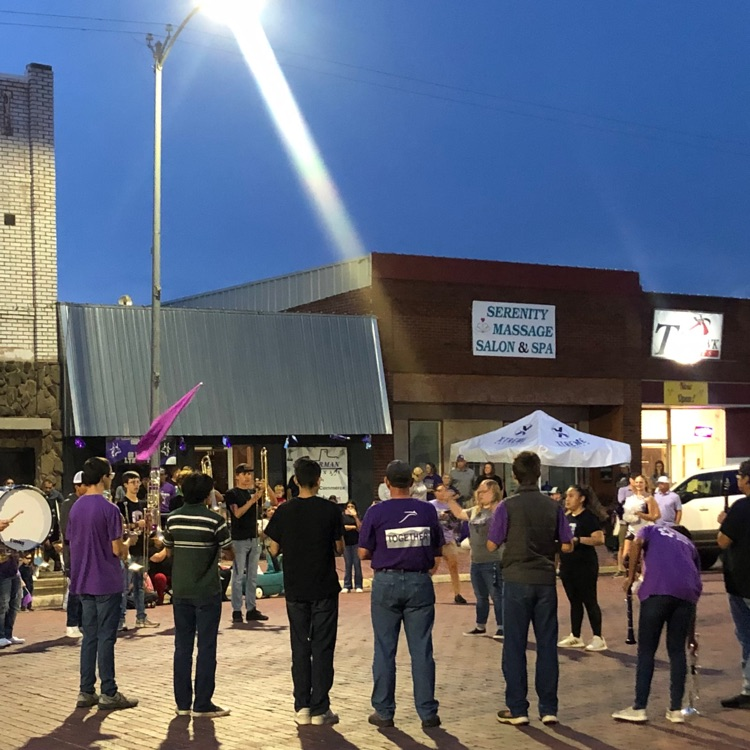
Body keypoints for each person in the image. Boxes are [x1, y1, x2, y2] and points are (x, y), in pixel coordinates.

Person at [487, 451, 573, 726]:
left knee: (514, 646)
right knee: (547, 646)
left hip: (515, 579)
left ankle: (517, 708)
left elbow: (492, 544)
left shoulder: (507, 506)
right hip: (545, 580)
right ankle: (548, 708)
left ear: (514, 475)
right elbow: (567, 545)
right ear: (538, 474)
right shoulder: (553, 507)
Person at [358, 459, 444, 729]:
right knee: (422, 649)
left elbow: (362, 552)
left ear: (387, 483)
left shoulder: (376, 511)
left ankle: (384, 712)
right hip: (420, 581)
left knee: (385, 649)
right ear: (411, 482)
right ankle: (427, 712)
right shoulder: (427, 510)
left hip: (386, 581)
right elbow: (437, 550)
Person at [265, 457, 345, 726]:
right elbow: (339, 548)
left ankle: (302, 705)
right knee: (323, 647)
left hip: (296, 587)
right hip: (324, 585)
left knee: (300, 646)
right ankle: (321, 707)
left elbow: (273, 549)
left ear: (296, 480)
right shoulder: (330, 510)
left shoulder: (284, 511)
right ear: (319, 480)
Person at [66, 457, 138, 711]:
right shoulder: (110, 509)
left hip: (83, 579)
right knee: (107, 638)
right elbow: (117, 549)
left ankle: (86, 690)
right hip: (106, 579)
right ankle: (109, 691)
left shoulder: (76, 508)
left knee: (90, 637)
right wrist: (129, 543)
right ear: (104, 477)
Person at [612, 524, 701, 723]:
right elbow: (694, 592)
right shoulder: (690, 546)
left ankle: (639, 707)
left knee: (647, 651)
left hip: (657, 591)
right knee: (677, 651)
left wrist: (631, 576)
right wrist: (691, 636)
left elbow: (636, 543)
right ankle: (675, 710)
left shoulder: (652, 529)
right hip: (686, 597)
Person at [163, 471, 234, 718]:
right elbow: (228, 552)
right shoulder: (215, 520)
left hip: (181, 590)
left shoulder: (172, 519)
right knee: (206, 646)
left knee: (182, 646)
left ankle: (182, 703)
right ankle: (203, 703)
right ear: (207, 494)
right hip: (206, 590)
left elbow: (169, 550)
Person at [445, 479, 504, 638]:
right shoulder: (476, 510)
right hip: (476, 561)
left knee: (497, 595)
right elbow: (459, 513)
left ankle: (502, 626)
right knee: (480, 596)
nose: (480, 494)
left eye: (484, 491)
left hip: (493, 560)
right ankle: (480, 625)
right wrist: (449, 499)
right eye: (479, 491)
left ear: (494, 492)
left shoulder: (499, 510)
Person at [717, 459, 750, 709]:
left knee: (747, 636)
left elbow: (723, 540)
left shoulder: (741, 507)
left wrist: (723, 521)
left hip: (743, 582)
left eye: (740, 476)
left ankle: (748, 689)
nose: (738, 480)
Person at [557, 485, 607, 652]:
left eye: (571, 496)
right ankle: (576, 635)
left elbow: (599, 539)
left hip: (585, 565)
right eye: (566, 496)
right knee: (574, 601)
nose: (567, 499)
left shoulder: (588, 517)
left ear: (582, 499)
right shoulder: (566, 517)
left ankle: (598, 637)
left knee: (589, 600)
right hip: (568, 565)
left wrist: (578, 540)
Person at [225, 463, 268, 623]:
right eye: (244, 474)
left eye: (249, 474)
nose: (247, 477)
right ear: (237, 476)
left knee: (252, 576)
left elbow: (272, 501)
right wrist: (253, 500)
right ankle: (237, 610)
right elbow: (237, 513)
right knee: (238, 576)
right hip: (239, 539)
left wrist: (266, 486)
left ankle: (251, 608)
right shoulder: (232, 493)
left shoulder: (252, 492)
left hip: (253, 537)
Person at [118, 470, 159, 630]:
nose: (136, 485)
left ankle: (141, 617)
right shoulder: (121, 505)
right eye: (132, 482)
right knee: (124, 586)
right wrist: (136, 525)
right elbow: (120, 527)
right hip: (128, 548)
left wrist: (149, 526)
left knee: (140, 586)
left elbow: (149, 528)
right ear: (125, 485)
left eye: (138, 482)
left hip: (141, 547)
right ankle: (121, 619)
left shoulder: (143, 504)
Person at [60, 470, 87, 638]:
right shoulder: (69, 504)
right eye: (85, 485)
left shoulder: (85, 502)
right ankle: (72, 623)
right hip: (73, 553)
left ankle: (82, 622)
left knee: (84, 589)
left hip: (85, 552)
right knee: (75, 589)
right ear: (77, 486)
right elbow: (66, 530)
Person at [430, 484, 467, 604]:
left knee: (453, 566)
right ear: (435, 492)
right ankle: (425, 591)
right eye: (439, 491)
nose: (442, 493)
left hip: (448, 539)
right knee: (432, 567)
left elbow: (457, 521)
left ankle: (457, 593)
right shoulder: (430, 505)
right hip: (435, 541)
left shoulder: (451, 505)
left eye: (444, 490)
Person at [621, 476, 661, 575]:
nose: (638, 484)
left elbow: (655, 516)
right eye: (637, 482)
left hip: (645, 530)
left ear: (645, 484)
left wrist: (640, 514)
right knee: (626, 557)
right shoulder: (630, 498)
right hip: (632, 529)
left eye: (641, 482)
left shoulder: (649, 498)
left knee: (642, 557)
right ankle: (632, 575)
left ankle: (642, 575)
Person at [0, 513, 24, 648]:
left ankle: (8, 634)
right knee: (2, 604)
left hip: (13, 566)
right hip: (1, 569)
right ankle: (0, 635)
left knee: (15, 603)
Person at [40, 477, 64, 571]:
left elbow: (62, 505)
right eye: (46, 488)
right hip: (44, 523)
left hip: (54, 524)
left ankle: (57, 563)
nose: (48, 490)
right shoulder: (40, 495)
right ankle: (45, 564)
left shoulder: (57, 495)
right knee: (46, 545)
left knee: (55, 545)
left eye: (50, 488)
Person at [341, 501, 363, 593]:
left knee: (357, 564)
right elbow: (342, 528)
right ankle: (347, 585)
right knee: (348, 564)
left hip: (356, 543)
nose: (350, 508)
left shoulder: (357, 516)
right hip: (346, 543)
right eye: (348, 506)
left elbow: (360, 528)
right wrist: (353, 527)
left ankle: (358, 585)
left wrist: (355, 516)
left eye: (352, 506)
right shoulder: (342, 516)